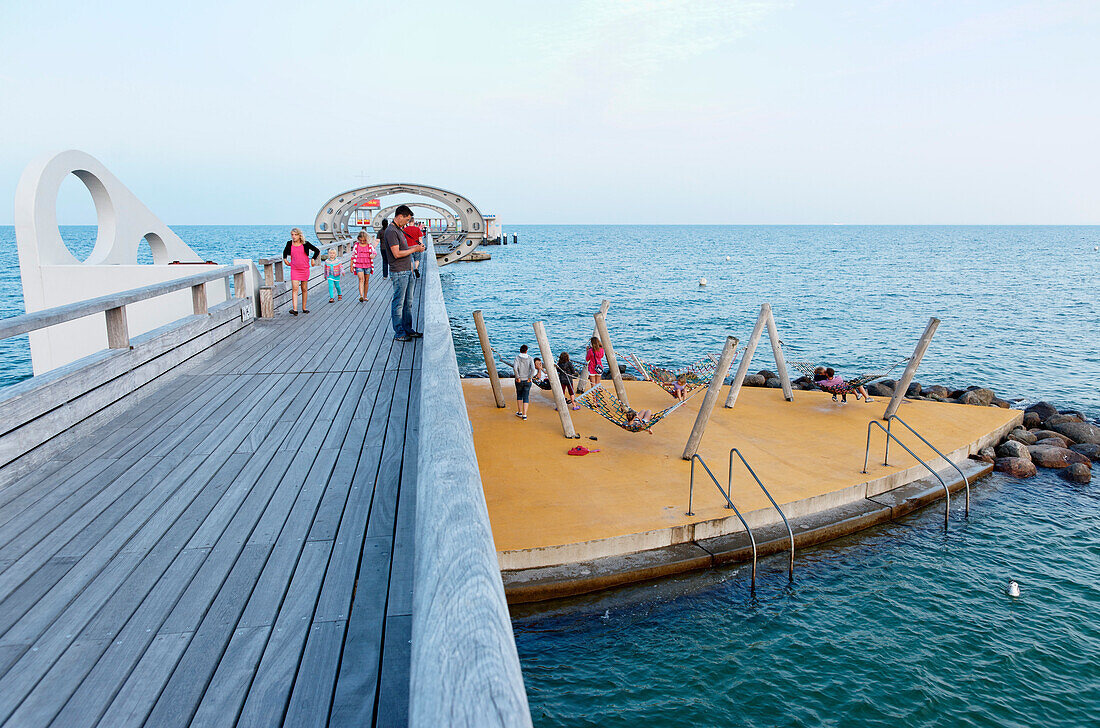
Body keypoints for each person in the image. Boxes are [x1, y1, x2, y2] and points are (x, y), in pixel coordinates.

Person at [385, 205, 426, 341]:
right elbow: (396, 254)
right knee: (398, 303)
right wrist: (414, 250)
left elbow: (402, 248)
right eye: (406, 220)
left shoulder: (398, 230)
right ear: (400, 216)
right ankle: (399, 332)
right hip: (399, 271)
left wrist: (415, 247)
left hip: (407, 270)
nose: (407, 223)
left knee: (408, 303)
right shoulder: (391, 231)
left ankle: (408, 329)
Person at [282, 228, 320, 315]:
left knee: (304, 289)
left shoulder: (305, 244)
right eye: (292, 235)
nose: (293, 237)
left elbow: (317, 250)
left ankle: (304, 307)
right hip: (294, 269)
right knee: (295, 288)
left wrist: (313, 259)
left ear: (299, 235)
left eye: (295, 235)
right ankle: (295, 309)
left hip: (304, 269)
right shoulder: (289, 243)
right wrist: (285, 259)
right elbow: (285, 251)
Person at [512, 344, 535, 420]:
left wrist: (517, 377)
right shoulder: (530, 358)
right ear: (526, 350)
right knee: (526, 396)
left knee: (519, 395)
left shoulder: (517, 358)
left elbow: (515, 368)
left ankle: (519, 412)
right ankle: (524, 415)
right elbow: (533, 369)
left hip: (519, 380)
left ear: (520, 350)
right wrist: (530, 377)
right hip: (527, 380)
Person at [352, 230, 375, 301]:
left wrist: (373, 255)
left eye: (364, 240)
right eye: (360, 240)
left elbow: (374, 252)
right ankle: (361, 295)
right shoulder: (356, 245)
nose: (362, 242)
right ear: (358, 239)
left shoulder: (369, 245)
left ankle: (365, 296)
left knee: (366, 280)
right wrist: (351, 266)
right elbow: (353, 256)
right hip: (358, 264)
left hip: (368, 265)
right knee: (361, 279)